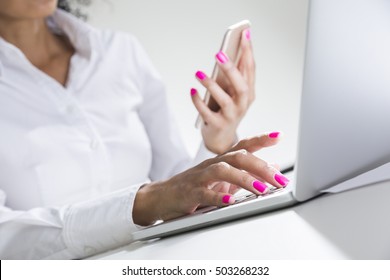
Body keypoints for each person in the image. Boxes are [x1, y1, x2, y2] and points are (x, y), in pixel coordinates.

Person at [0, 0, 289, 259]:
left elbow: (173, 181)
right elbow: (6, 237)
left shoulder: (119, 51)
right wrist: (144, 204)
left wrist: (216, 141)